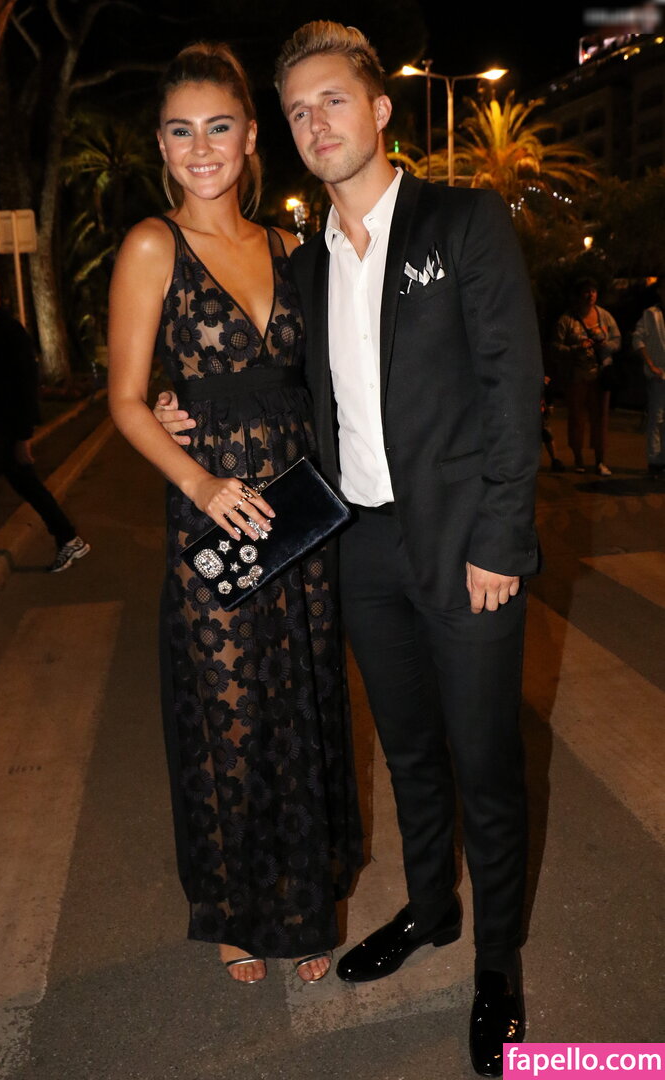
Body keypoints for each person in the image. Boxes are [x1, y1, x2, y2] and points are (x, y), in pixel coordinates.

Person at [156, 22, 542, 1076]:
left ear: (377, 109)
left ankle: (497, 966)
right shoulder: (308, 262)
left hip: (466, 548)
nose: (316, 123)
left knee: (484, 763)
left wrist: (503, 537)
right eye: (297, 110)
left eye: (333, 100)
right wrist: (178, 407)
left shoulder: (462, 221)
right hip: (360, 551)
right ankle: (430, 911)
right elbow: (271, 382)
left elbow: (512, 387)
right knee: (408, 752)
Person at [107, 42, 361, 987]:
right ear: (162, 146)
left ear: (252, 136)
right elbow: (125, 400)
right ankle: (235, 906)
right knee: (229, 718)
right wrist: (199, 482)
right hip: (212, 516)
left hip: (298, 516)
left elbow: (325, 377)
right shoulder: (152, 246)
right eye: (181, 132)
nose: (201, 148)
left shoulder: (293, 247)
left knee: (304, 705)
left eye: (219, 127)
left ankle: (307, 904)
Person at [0, 272, 90, 572]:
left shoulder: (10, 332)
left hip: (6, 433)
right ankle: (68, 538)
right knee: (29, 486)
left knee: (27, 485)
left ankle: (68, 538)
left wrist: (23, 437)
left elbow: (25, 386)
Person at [552, 277, 620, 475]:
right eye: (586, 291)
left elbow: (617, 340)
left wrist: (605, 346)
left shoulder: (604, 316)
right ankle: (578, 459)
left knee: (600, 418)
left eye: (593, 291)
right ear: (579, 294)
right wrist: (576, 348)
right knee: (577, 418)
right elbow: (555, 346)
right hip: (577, 376)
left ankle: (600, 460)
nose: (591, 295)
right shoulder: (567, 319)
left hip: (600, 375)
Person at [632, 277, 665, 479]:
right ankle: (655, 462)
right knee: (657, 418)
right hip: (659, 374)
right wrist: (651, 365)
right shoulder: (652, 314)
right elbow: (638, 339)